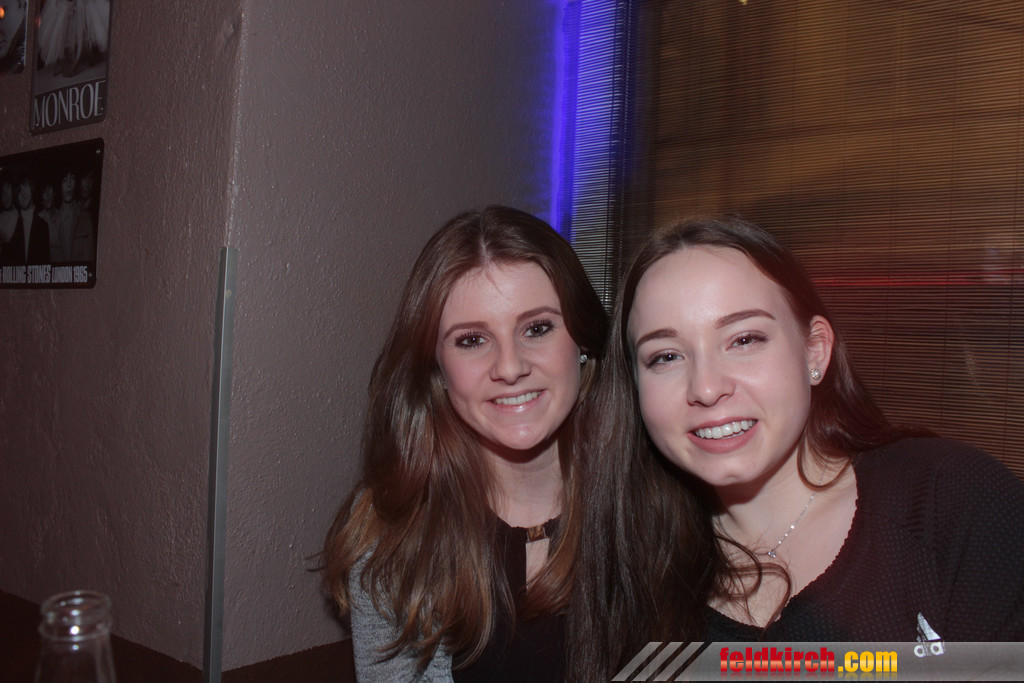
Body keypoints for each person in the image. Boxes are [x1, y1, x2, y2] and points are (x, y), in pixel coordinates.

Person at [570, 215, 1024, 676]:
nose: (705, 387)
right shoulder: (630, 571)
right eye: (665, 356)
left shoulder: (956, 504)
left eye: (744, 339)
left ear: (815, 351)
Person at [321, 205, 606, 681]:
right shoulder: (393, 530)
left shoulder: (660, 505)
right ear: (437, 367)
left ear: (583, 340)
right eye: (472, 340)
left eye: (537, 328)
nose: (510, 367)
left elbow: (728, 665)